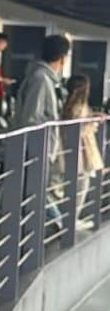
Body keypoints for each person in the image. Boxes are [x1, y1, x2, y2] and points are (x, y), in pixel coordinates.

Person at [14, 34, 70, 228]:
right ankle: (60, 225)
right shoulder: (41, 79)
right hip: (37, 149)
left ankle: (56, 225)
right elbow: (32, 117)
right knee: (36, 192)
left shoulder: (44, 78)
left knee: (37, 192)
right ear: (62, 58)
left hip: (40, 148)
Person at [62, 74, 104, 226]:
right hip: (82, 152)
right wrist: (93, 123)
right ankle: (71, 221)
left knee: (78, 187)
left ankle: (71, 220)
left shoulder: (70, 105)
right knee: (80, 188)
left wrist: (92, 116)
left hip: (77, 151)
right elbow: (78, 129)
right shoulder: (78, 106)